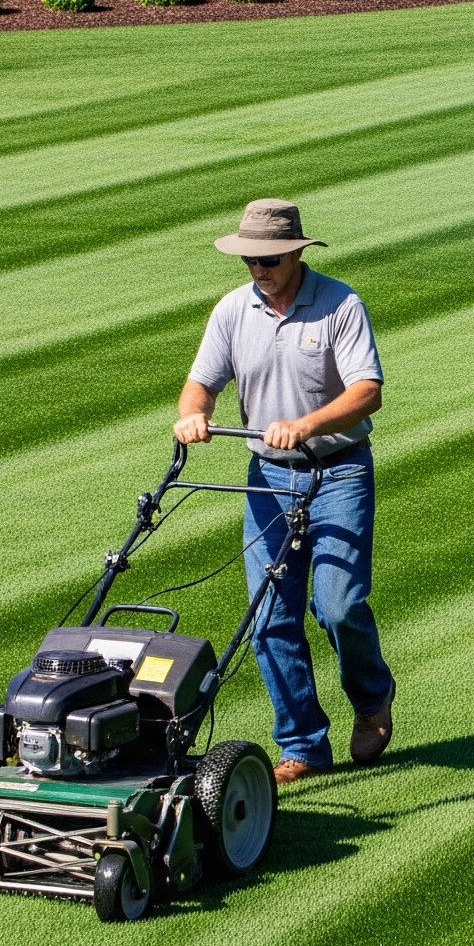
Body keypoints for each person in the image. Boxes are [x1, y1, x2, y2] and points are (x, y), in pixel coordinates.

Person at [175, 199, 394, 785]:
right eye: (250, 259)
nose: (259, 268)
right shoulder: (231, 311)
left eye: (269, 258)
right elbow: (200, 384)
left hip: (338, 471)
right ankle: (302, 744)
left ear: (297, 252)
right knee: (270, 614)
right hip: (267, 477)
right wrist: (194, 416)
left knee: (339, 603)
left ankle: (372, 699)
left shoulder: (339, 304)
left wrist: (309, 424)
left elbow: (368, 391)